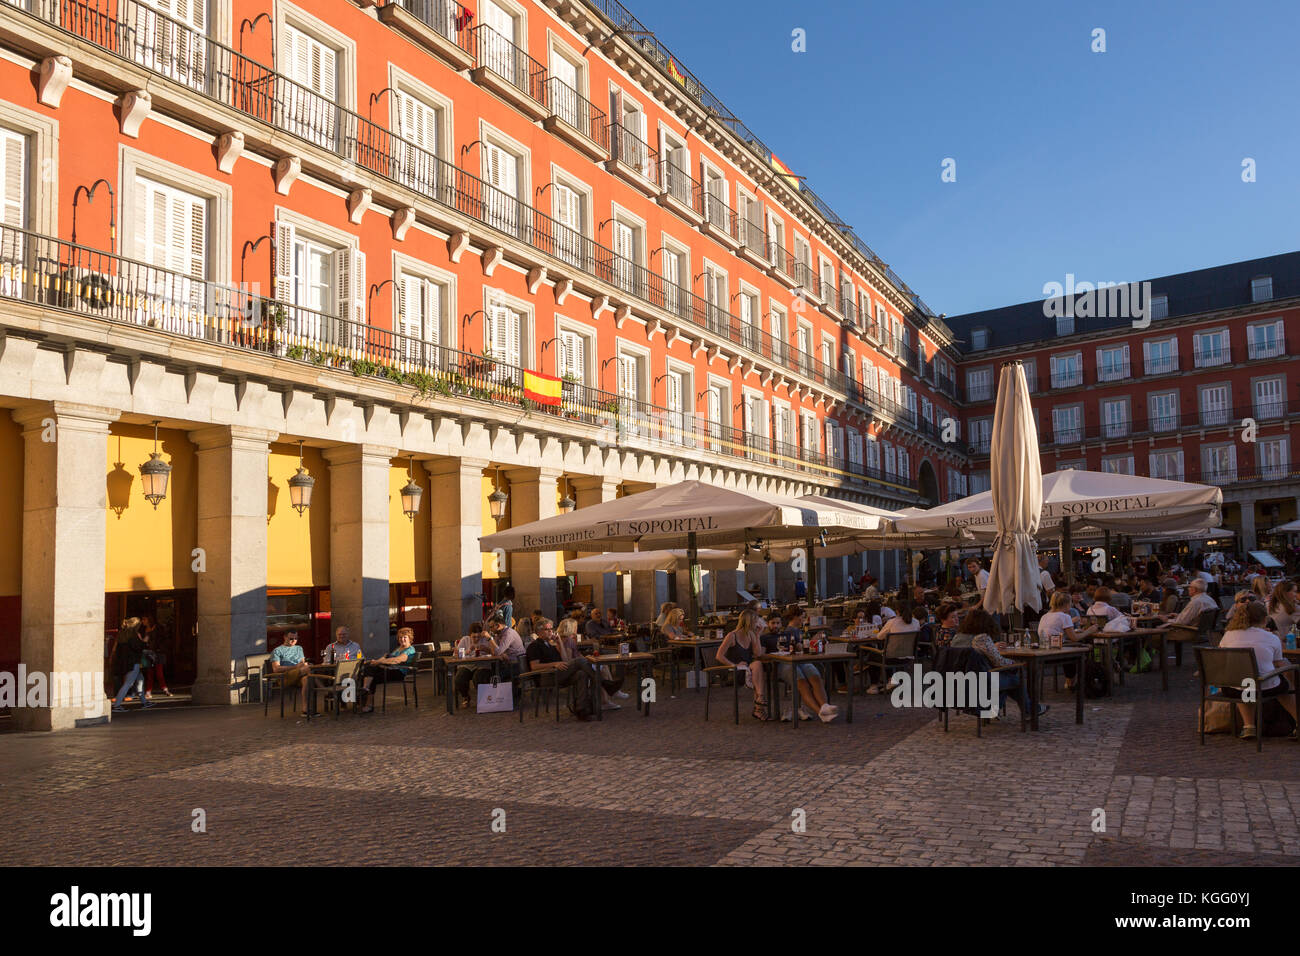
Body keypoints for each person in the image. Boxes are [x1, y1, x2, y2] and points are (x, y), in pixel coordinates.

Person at [1219, 601, 1297, 739]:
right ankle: (1298, 721)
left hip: (1232, 687)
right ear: (1264, 618)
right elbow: (1278, 663)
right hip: (1263, 687)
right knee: (1284, 684)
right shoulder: (1271, 637)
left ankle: (1249, 726)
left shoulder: (1228, 635)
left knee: (1245, 679)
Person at [950, 607, 1046, 719]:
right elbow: (999, 662)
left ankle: (992, 710)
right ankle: (1030, 710)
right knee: (1015, 679)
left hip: (959, 680)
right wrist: (1016, 663)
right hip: (980, 682)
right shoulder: (981, 638)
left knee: (1006, 679)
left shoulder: (957, 637)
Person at [764, 610, 838, 721]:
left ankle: (825, 706)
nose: (776, 626)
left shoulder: (788, 634)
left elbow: (800, 647)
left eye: (778, 623)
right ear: (768, 624)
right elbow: (760, 655)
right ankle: (821, 713)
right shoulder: (765, 637)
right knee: (803, 684)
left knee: (815, 677)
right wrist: (774, 654)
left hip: (798, 660)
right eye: (773, 623)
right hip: (781, 664)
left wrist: (809, 643)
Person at [525, 617, 600, 720]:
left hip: (557, 674)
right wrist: (554, 664)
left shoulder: (551, 645)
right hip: (545, 677)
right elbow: (534, 667)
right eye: (547, 629)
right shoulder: (534, 646)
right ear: (539, 632)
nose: (551, 631)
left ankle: (581, 710)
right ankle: (603, 682)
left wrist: (559, 641)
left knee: (582, 674)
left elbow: (565, 660)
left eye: (552, 628)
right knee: (580, 661)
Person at [716, 609, 770, 721]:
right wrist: (735, 665)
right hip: (734, 671)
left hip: (748, 669)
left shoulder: (751, 634)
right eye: (756, 621)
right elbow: (719, 656)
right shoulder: (732, 636)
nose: (758, 624)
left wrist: (758, 635)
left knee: (757, 664)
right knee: (757, 669)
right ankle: (758, 708)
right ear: (749, 622)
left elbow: (758, 653)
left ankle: (759, 699)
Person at [1038, 591, 1098, 690]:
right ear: (1066, 604)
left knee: (1073, 647)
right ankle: (1083, 683)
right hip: (1056, 652)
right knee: (1086, 648)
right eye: (1070, 603)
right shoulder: (1064, 616)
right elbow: (1074, 638)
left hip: (1044, 650)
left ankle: (1070, 681)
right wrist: (1090, 630)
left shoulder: (1045, 616)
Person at [359, 628, 418, 713]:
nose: (402, 639)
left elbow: (397, 660)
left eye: (405, 637)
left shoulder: (410, 649)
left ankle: (368, 701)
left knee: (372, 677)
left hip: (398, 673)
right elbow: (387, 657)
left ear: (410, 638)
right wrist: (376, 661)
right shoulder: (399, 648)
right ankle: (365, 691)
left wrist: (379, 661)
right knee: (367, 670)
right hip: (388, 670)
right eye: (400, 637)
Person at [867, 603, 922, 693]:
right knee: (887, 652)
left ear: (897, 611)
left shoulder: (892, 622)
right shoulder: (916, 622)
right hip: (909, 657)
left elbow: (879, 637)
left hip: (891, 657)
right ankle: (891, 680)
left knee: (872, 655)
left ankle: (874, 686)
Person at [111, 618, 156, 713]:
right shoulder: (133, 635)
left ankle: (144, 702)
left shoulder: (122, 634)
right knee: (128, 684)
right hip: (133, 662)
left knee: (140, 680)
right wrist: (145, 640)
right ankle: (117, 705)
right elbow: (138, 647)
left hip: (125, 662)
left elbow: (118, 649)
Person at [266, 631, 312, 717]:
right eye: (291, 638)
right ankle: (325, 690)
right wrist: (295, 667)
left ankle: (305, 709)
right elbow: (276, 669)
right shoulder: (277, 650)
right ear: (285, 637)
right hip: (285, 677)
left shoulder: (299, 648)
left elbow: (302, 663)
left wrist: (303, 665)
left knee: (308, 679)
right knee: (311, 670)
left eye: (296, 638)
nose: (294, 640)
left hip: (299, 675)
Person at [453, 623, 499, 709]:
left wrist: (486, 649)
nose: (476, 639)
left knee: (478, 677)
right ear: (469, 635)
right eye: (474, 637)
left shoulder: (486, 640)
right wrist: (468, 651)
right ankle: (465, 697)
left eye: (478, 637)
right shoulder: (465, 640)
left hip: (482, 665)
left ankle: (483, 699)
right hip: (468, 665)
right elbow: (457, 655)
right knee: (459, 678)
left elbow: (495, 653)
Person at [138, 614, 170, 699]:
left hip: (158, 653)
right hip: (149, 652)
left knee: (159, 672)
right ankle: (149, 691)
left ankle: (165, 689)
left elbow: (159, 640)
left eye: (144, 619)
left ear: (149, 620)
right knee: (150, 672)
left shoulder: (157, 628)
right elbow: (145, 641)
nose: (142, 622)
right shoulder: (143, 629)